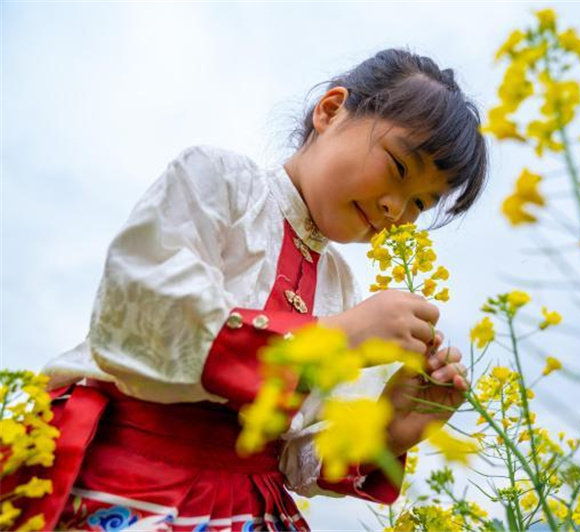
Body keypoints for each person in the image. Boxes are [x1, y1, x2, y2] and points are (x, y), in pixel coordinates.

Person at [9, 47, 488, 531]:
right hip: (124, 472)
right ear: (330, 111)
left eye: (420, 204)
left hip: (245, 505)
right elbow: (147, 314)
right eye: (399, 168)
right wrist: (334, 338)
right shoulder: (219, 181)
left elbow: (298, 460)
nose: (395, 209)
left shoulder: (343, 287)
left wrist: (389, 428)